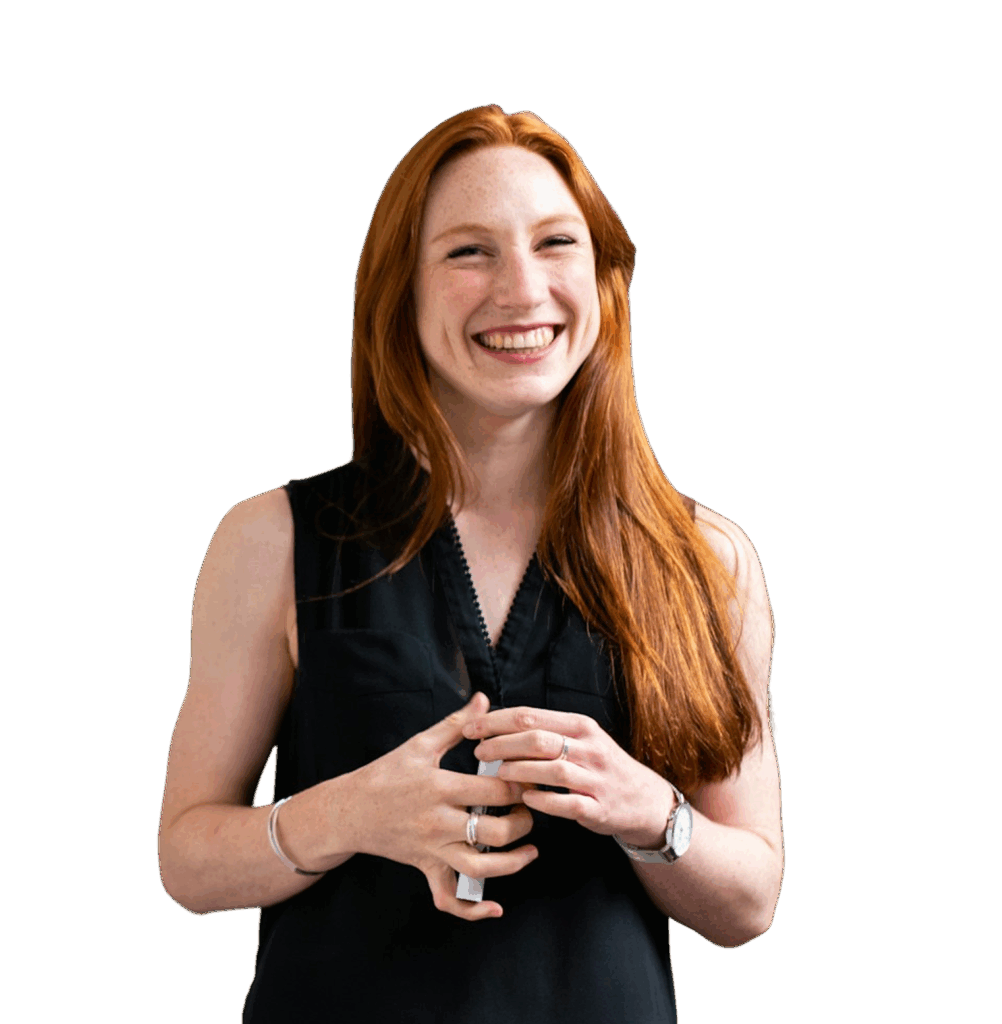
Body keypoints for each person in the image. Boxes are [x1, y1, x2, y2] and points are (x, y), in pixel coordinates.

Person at [157, 103, 784, 1024]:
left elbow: (752, 899)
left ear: (606, 280)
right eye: (469, 252)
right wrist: (350, 815)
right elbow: (188, 860)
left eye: (555, 243)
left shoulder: (708, 561)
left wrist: (652, 811)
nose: (522, 290)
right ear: (397, 291)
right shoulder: (273, 542)